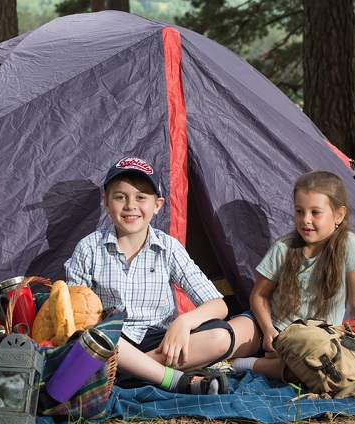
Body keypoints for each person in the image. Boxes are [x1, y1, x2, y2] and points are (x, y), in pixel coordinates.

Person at [65, 156, 233, 394]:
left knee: (220, 336)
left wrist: (183, 322)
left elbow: (218, 305)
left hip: (159, 342)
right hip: (112, 341)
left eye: (141, 197)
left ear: (157, 205)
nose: (130, 206)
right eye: (120, 197)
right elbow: (74, 315)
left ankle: (127, 374)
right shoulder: (89, 248)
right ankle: (173, 380)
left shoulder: (169, 248)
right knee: (93, 339)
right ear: (106, 202)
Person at [227, 170, 355, 380]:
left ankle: (251, 364)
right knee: (220, 340)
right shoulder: (284, 248)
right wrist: (268, 328)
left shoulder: (350, 247)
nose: (305, 220)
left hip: (318, 339)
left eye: (315, 212)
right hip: (276, 331)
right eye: (299, 211)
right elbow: (259, 295)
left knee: (325, 370)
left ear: (339, 215)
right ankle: (260, 362)